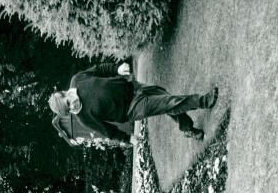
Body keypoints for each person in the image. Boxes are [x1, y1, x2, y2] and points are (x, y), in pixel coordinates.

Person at [48, 61, 218, 145]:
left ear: (64, 93)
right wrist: (128, 138)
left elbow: (99, 69)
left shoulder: (78, 80)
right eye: (68, 109)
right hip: (132, 109)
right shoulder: (83, 118)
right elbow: (107, 131)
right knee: (169, 102)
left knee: (165, 96)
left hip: (132, 87)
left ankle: (187, 129)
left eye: (68, 102)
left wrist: (116, 69)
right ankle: (204, 100)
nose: (72, 106)